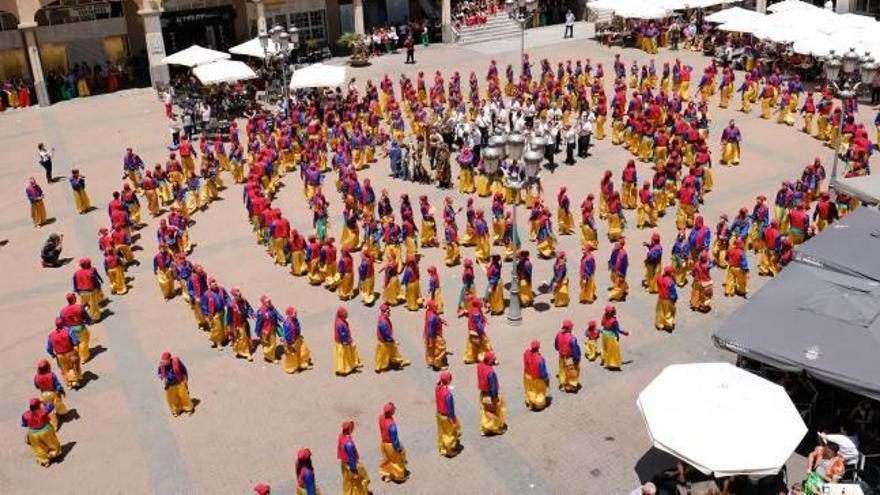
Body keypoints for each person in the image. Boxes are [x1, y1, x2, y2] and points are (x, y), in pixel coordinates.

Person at [21, 398, 63, 466]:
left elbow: (24, 424)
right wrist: (42, 401)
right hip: (46, 430)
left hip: (33, 433)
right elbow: (51, 405)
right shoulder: (44, 410)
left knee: (38, 447)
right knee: (52, 442)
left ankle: (44, 460)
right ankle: (53, 454)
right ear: (38, 405)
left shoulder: (25, 415)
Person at [378, 402, 409, 483]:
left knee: (387, 459)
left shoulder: (381, 418)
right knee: (397, 459)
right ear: (391, 412)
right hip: (391, 445)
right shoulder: (392, 425)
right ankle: (398, 476)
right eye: (393, 410)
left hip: (383, 443)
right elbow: (394, 439)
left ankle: (387, 474)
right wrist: (398, 448)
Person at [477, 351, 507, 435]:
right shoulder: (490, 373)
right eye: (493, 359)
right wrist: (494, 397)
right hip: (490, 394)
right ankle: (495, 428)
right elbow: (493, 386)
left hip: (483, 393)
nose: (494, 359)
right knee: (494, 412)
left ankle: (485, 427)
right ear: (490, 361)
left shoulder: (480, 365)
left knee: (485, 411)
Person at [374, 303, 411, 372]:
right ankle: (383, 366)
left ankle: (380, 365)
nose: (389, 312)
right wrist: (392, 340)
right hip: (385, 341)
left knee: (384, 353)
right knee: (386, 353)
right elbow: (386, 334)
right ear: (384, 312)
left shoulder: (381, 318)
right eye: (388, 311)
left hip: (383, 340)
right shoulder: (383, 322)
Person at [337, 421, 371, 495]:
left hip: (344, 464)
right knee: (363, 478)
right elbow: (351, 457)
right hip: (352, 465)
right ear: (349, 430)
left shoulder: (341, 436)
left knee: (348, 481)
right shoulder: (348, 443)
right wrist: (354, 471)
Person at [157, 352, 194, 416]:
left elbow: (184, 370)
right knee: (171, 398)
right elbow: (159, 373)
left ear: (169, 359)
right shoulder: (161, 365)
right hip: (169, 383)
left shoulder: (176, 362)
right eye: (164, 361)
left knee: (183, 396)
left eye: (166, 361)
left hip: (179, 381)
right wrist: (161, 376)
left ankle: (188, 408)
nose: (165, 363)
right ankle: (175, 410)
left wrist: (185, 379)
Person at [434, 371, 461, 457]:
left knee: (441, 431)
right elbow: (450, 410)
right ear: (449, 381)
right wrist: (453, 421)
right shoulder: (448, 395)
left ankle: (442, 448)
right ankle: (449, 450)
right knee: (450, 433)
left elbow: (438, 384)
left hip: (438, 414)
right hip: (446, 416)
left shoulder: (437, 388)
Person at [334, 306, 363, 376]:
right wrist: (347, 341)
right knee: (345, 356)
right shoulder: (340, 324)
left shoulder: (339, 321)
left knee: (348, 354)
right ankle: (345, 368)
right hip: (343, 342)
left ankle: (352, 364)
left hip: (344, 340)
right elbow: (342, 334)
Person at [555, 320, 581, 393]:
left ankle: (563, 384)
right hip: (569, 357)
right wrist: (576, 358)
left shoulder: (559, 334)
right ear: (570, 328)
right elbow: (575, 349)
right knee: (571, 371)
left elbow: (556, 344)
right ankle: (571, 386)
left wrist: (559, 349)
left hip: (561, 355)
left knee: (562, 369)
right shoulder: (572, 338)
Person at [522, 340, 550, 410]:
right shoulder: (539, 359)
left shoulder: (526, 353)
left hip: (527, 376)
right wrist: (546, 379)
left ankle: (530, 401)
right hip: (537, 378)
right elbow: (543, 372)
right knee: (539, 392)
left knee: (529, 390)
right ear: (538, 347)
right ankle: (538, 405)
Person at [600, 305, 629, 370]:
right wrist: (626, 333)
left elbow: (602, 324)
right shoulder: (614, 321)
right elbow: (618, 330)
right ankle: (612, 363)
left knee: (605, 348)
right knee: (613, 350)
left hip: (604, 334)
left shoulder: (604, 316)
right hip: (611, 336)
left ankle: (604, 359)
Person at [655, 266, 678, 331]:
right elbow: (673, 293)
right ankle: (667, 325)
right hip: (668, 299)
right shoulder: (670, 282)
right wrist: (675, 299)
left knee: (660, 311)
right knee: (669, 312)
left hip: (660, 298)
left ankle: (659, 324)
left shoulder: (659, 278)